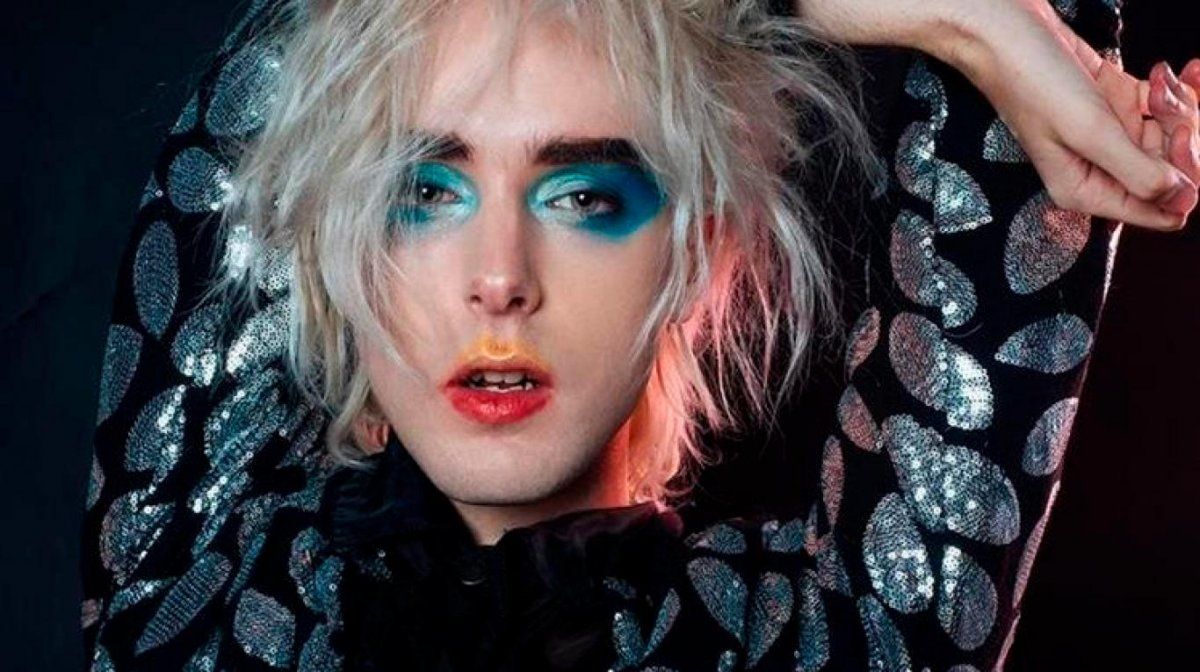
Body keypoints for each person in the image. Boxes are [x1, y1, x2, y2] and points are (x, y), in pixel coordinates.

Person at [81, 0, 1199, 669]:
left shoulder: (841, 644)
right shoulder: (183, 590)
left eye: (584, 196)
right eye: (420, 192)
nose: (500, 281)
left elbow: (1013, 160)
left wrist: (970, 21)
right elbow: (254, 108)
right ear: (327, 242)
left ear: (699, 252)